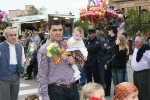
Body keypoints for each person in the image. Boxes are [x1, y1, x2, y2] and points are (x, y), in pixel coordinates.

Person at [37, 20, 83, 100]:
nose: (58, 33)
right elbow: (42, 75)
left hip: (73, 88)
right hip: (56, 90)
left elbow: (81, 64)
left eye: (60, 30)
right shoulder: (44, 49)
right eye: (54, 30)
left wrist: (75, 60)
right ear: (49, 31)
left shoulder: (67, 45)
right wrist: (45, 96)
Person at [0, 27, 29, 100]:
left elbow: (22, 61)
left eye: (15, 35)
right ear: (6, 36)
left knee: (14, 97)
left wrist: (25, 63)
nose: (14, 37)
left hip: (16, 75)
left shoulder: (20, 47)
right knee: (5, 98)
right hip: (4, 77)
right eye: (11, 35)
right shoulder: (1, 46)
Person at [103, 25, 117, 96]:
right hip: (107, 60)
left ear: (111, 30)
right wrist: (107, 48)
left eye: (109, 30)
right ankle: (107, 92)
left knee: (115, 79)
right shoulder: (109, 38)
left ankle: (116, 93)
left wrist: (107, 48)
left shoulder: (116, 38)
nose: (108, 31)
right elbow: (105, 48)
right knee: (107, 78)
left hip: (113, 61)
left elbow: (112, 49)